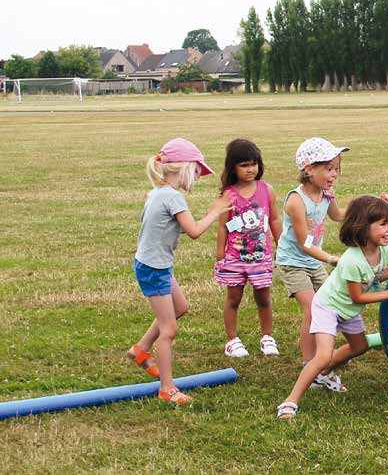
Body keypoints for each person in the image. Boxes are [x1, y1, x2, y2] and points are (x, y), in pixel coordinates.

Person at [276, 196, 388, 419]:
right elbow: (358, 296)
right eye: (383, 224)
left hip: (348, 310)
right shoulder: (352, 261)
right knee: (322, 356)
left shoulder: (385, 250)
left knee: (360, 346)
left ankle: (323, 374)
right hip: (329, 307)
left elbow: (375, 276)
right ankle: (290, 401)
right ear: (363, 226)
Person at [128, 138, 230, 404]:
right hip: (154, 268)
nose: (197, 177)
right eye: (196, 170)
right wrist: (215, 211)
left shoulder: (158, 191)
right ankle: (167, 388)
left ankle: (140, 350)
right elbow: (194, 231)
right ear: (182, 168)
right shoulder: (172, 197)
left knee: (180, 307)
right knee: (169, 329)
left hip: (153, 263)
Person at [276, 138, 348, 375]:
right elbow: (305, 244)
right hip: (294, 262)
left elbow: (338, 216)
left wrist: (364, 209)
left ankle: (323, 355)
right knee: (313, 308)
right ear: (309, 170)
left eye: (336, 168)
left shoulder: (327, 195)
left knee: (330, 304)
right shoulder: (296, 201)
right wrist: (330, 259)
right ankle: (310, 364)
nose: (334, 174)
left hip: (313, 261)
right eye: (329, 168)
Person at [214, 138, 282, 358]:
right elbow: (223, 226)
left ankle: (267, 337)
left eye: (254, 163)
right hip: (235, 257)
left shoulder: (266, 190)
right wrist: (220, 254)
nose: (250, 169)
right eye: (244, 165)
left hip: (261, 257)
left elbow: (274, 219)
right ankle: (232, 341)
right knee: (233, 299)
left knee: (263, 298)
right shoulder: (229, 194)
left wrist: (281, 245)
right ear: (233, 167)